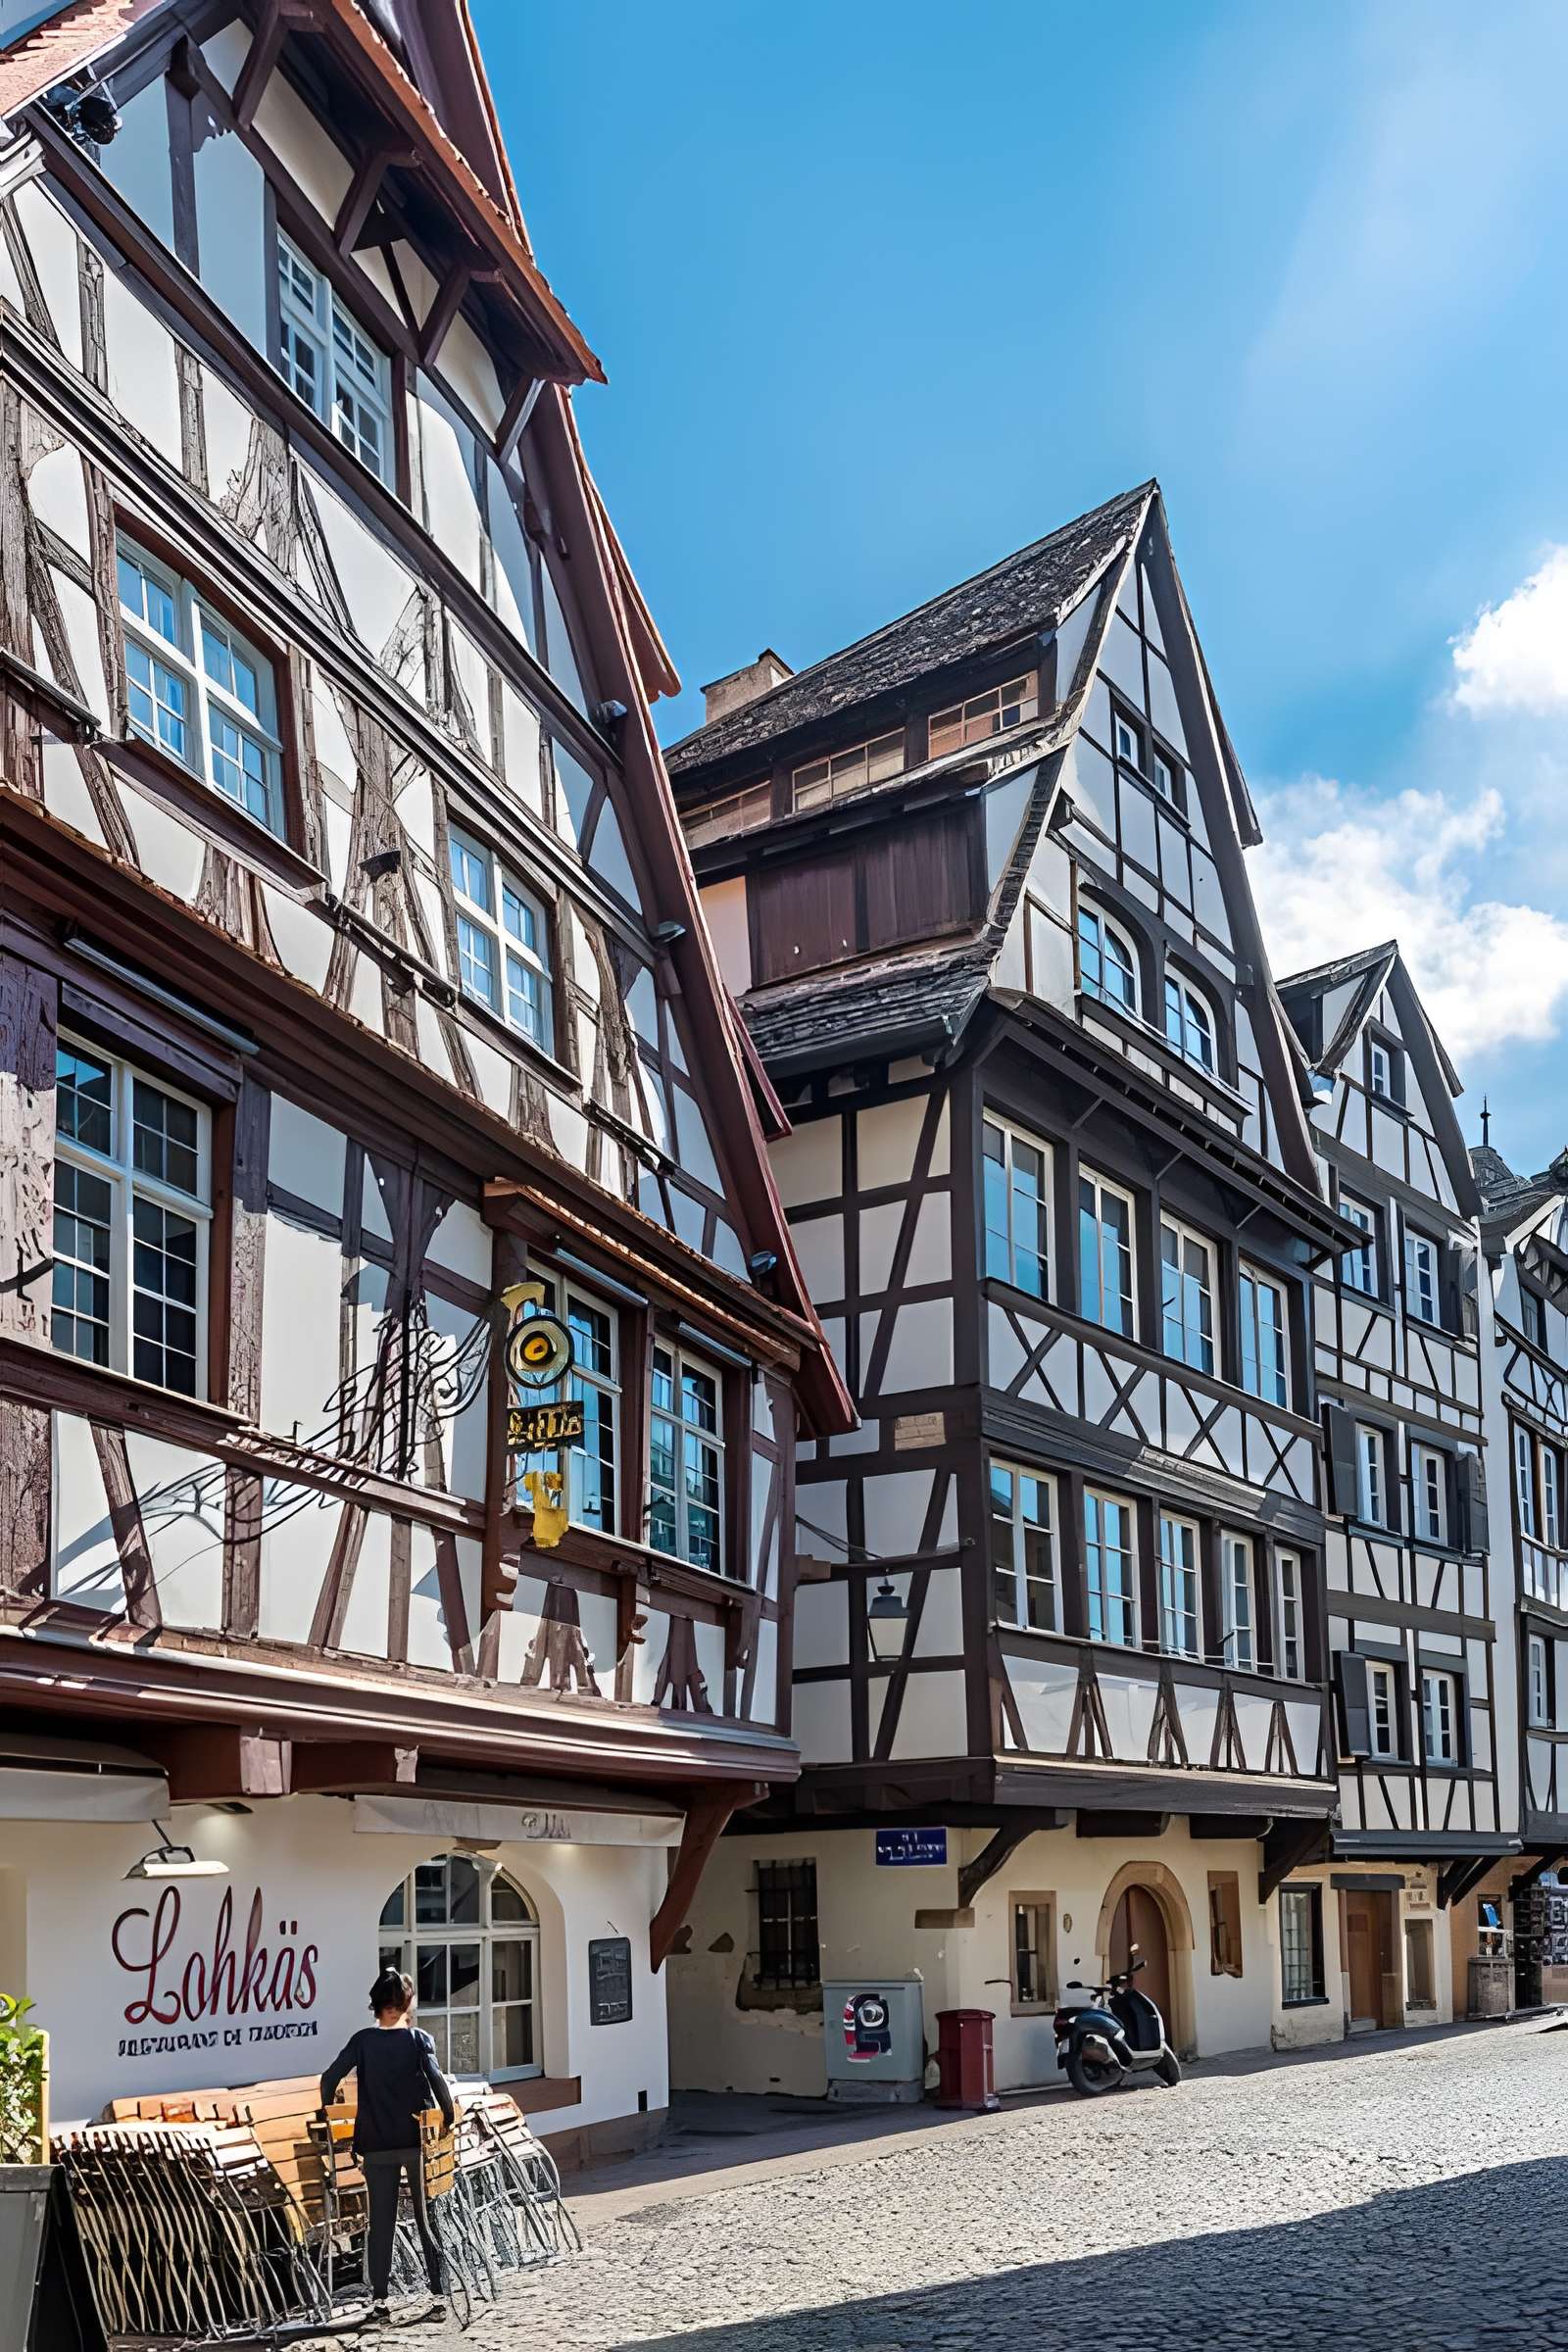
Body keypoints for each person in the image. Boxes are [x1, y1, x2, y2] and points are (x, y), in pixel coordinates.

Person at [319, 1967, 456, 2327]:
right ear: (406, 2004)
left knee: (381, 2224)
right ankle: (437, 2294)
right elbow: (437, 2081)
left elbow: (329, 2077)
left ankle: (380, 2301)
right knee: (426, 2220)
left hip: (375, 2144)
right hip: (414, 2143)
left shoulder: (362, 2041)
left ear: (376, 2005)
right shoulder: (417, 2040)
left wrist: (331, 2112)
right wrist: (449, 2115)